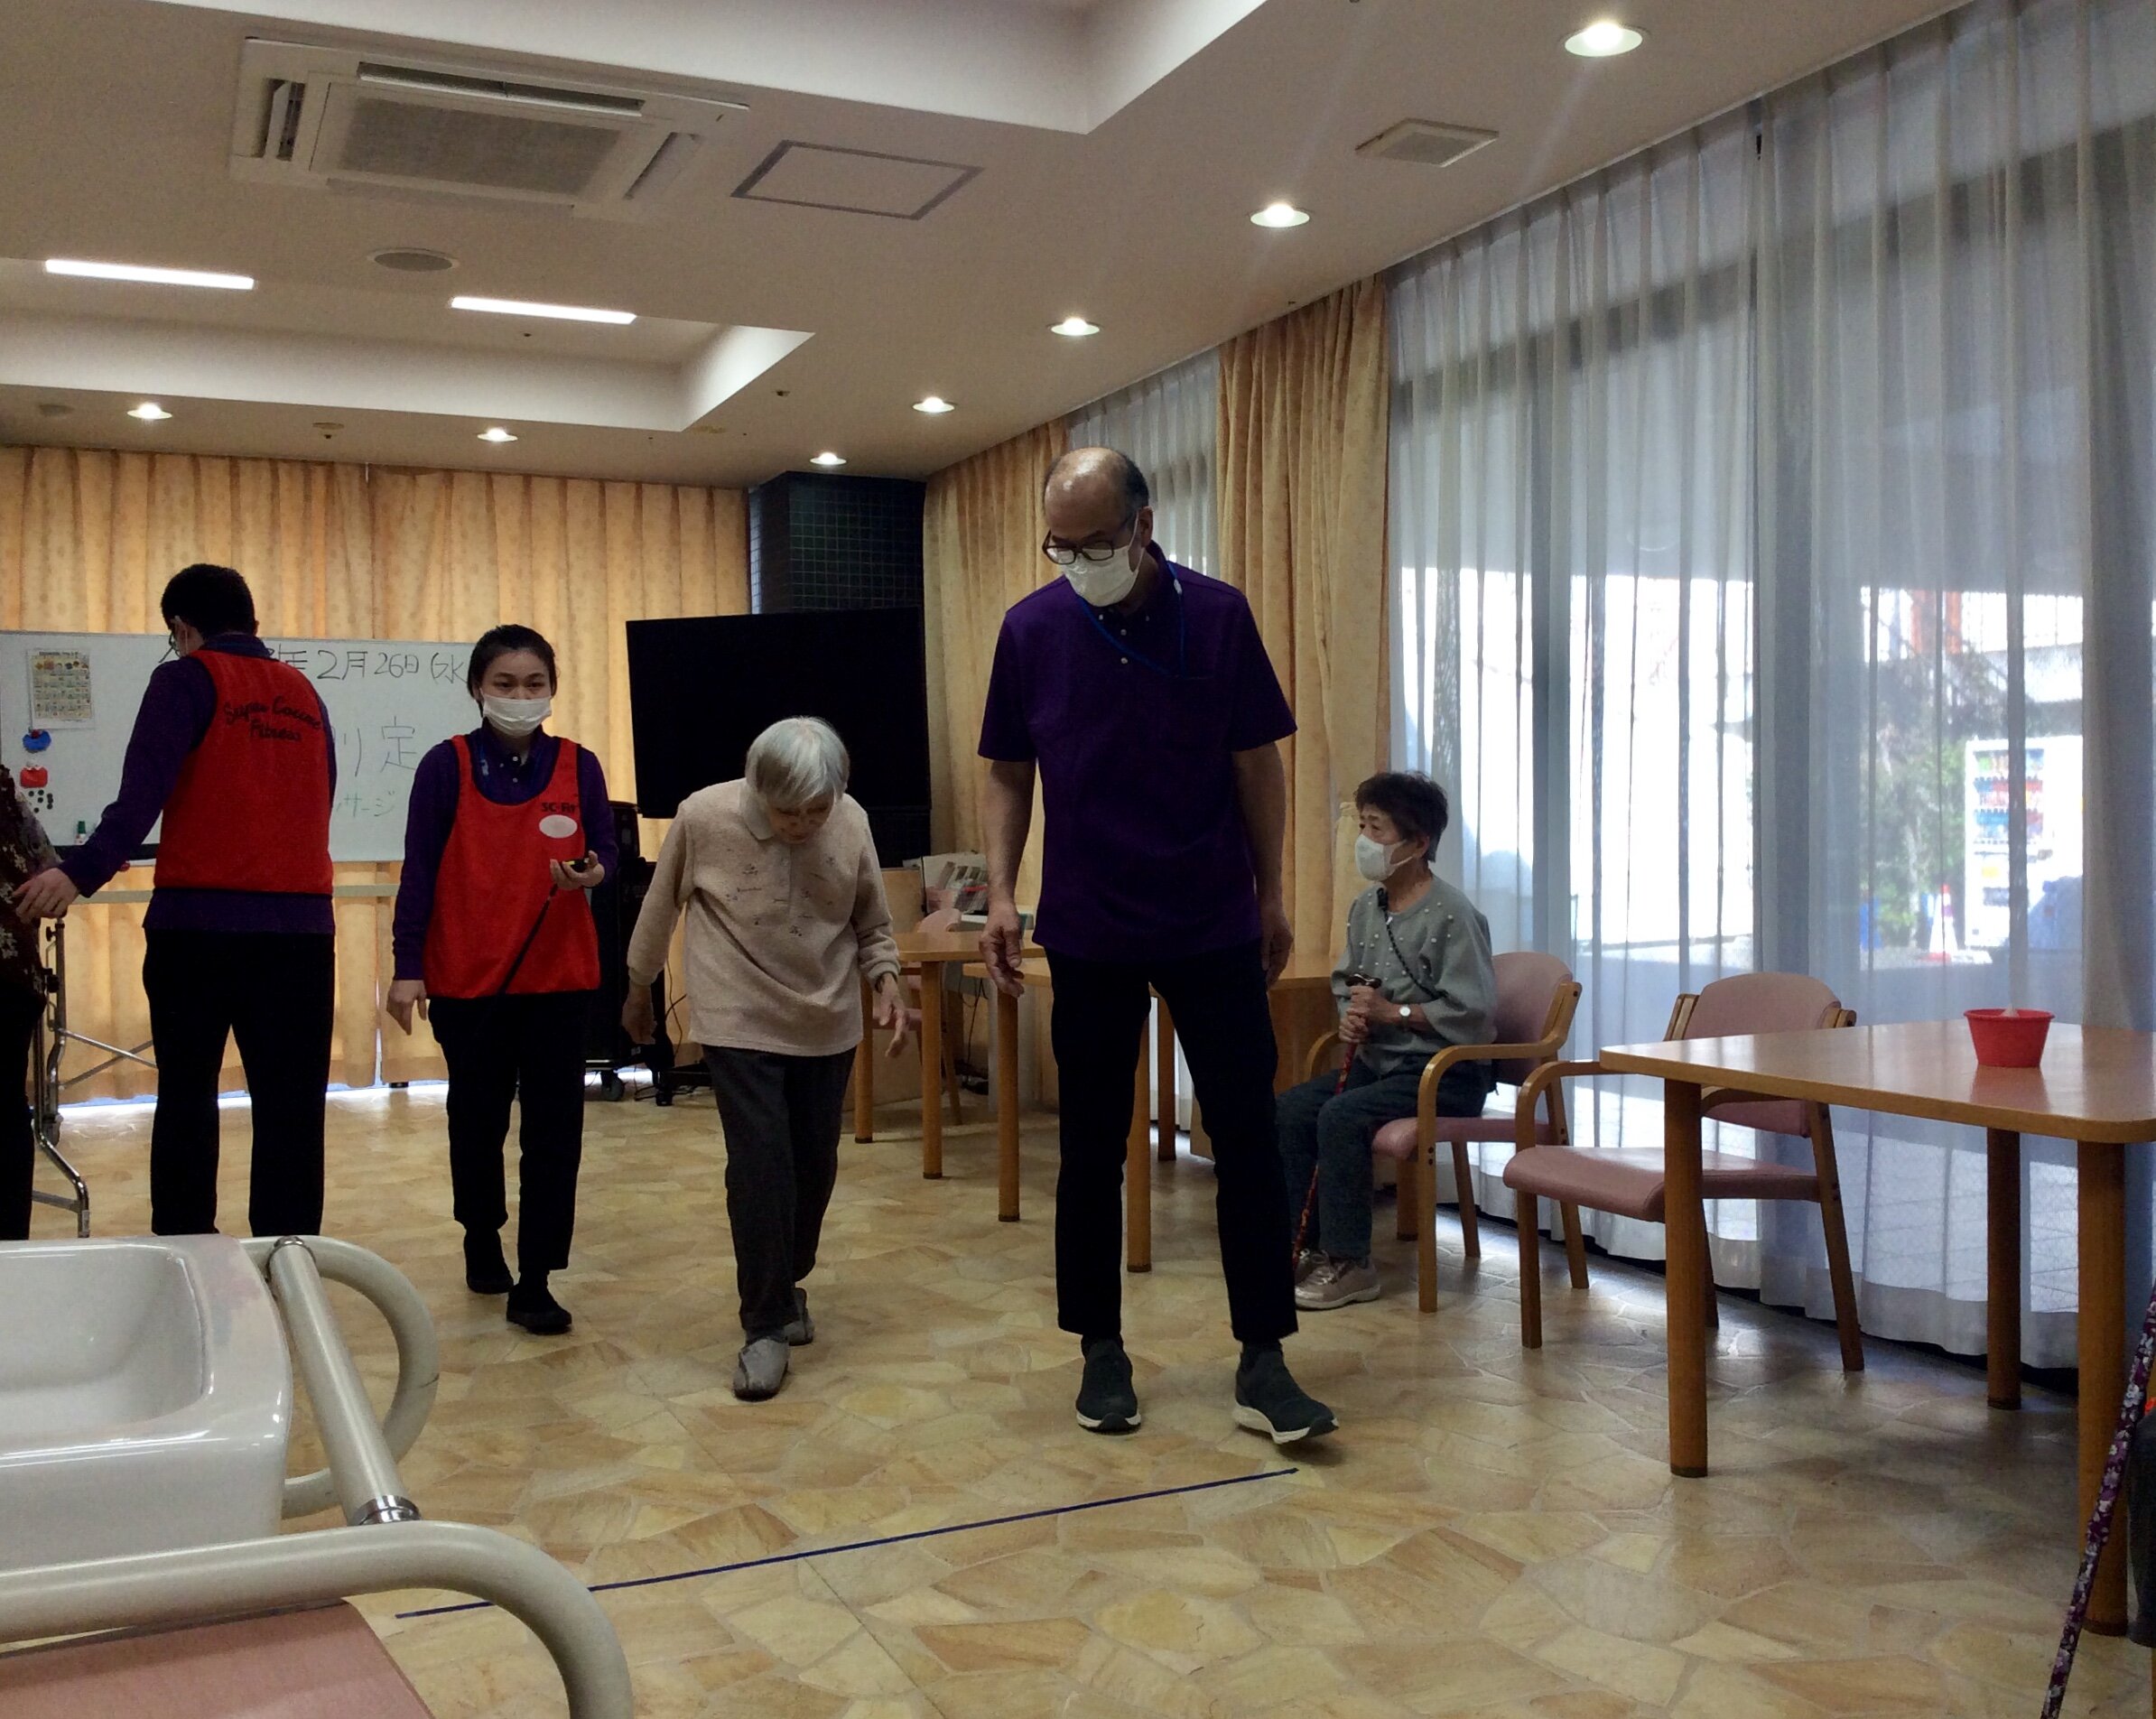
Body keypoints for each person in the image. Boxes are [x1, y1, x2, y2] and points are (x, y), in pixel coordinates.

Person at [978, 446, 1335, 1446]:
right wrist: (1001, 892)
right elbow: (1007, 769)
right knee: (1091, 1144)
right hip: (1088, 921)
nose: (1077, 561)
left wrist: (1271, 893)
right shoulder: (1031, 628)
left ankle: (1264, 1356)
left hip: (1211, 916)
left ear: (1144, 524)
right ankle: (1101, 1350)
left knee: (1248, 1137)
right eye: (1059, 544)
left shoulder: (1216, 615)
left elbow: (1256, 763)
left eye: (1095, 541)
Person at [18, 564, 335, 1238]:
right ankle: (289, 1259)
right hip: (302, 932)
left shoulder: (183, 679)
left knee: (188, 1098)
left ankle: (189, 1251)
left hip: (198, 929)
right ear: (251, 622)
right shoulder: (306, 693)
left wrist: (76, 875)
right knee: (293, 1110)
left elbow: (140, 799)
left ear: (182, 628)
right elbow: (319, 797)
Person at [621, 717, 911, 1402]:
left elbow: (871, 920)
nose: (803, 824)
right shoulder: (703, 816)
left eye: (817, 810)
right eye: (787, 812)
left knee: (813, 1164)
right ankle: (764, 1325)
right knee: (759, 1165)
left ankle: (785, 1281)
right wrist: (637, 989)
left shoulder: (851, 820)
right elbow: (658, 910)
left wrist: (888, 980)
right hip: (737, 1012)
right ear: (757, 789)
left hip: (826, 1016)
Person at [386, 626, 617, 1336]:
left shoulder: (579, 766)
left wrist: (594, 872)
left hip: (560, 979)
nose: (521, 696)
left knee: (555, 1133)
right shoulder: (445, 766)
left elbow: (607, 850)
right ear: (477, 689)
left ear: (553, 689)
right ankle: (480, 1234)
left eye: (534, 684)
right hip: (469, 980)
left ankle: (537, 1278)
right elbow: (419, 870)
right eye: (506, 684)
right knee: (477, 1121)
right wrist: (407, 967)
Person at [1275, 772, 1496, 1310]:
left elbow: (1473, 1014)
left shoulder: (1453, 914)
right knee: (1291, 1109)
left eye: (1377, 828)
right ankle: (1302, 1245)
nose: (1365, 840)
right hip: (1381, 1065)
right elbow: (1349, 980)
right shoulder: (1366, 907)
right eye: (1363, 826)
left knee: (1341, 1116)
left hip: (1443, 1074)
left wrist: (1392, 1013)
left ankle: (1350, 1262)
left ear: (1418, 843)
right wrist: (1354, 1014)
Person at [0, 767, 58, 1240]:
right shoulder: (4, 790)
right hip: (12, 977)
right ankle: (11, 1254)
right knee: (6, 1110)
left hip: (8, 980)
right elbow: (48, 869)